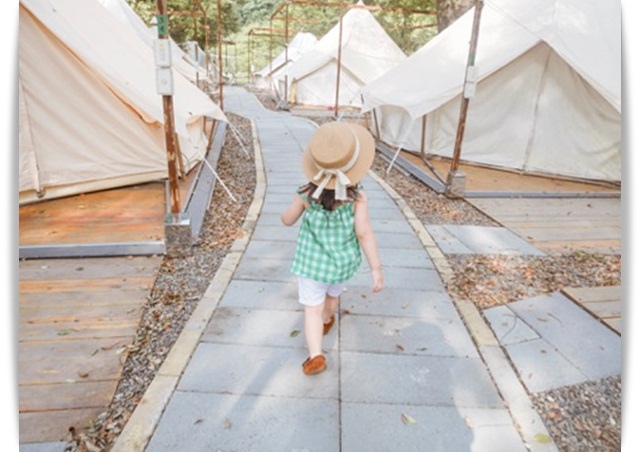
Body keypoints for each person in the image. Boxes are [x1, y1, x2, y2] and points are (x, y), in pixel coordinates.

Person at [281, 121, 384, 376]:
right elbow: (363, 232)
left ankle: (316, 355)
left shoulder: (306, 193)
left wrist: (291, 212)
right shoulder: (357, 198)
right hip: (341, 263)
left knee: (311, 309)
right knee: (332, 296)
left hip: (311, 263)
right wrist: (376, 268)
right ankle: (328, 319)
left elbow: (287, 219)